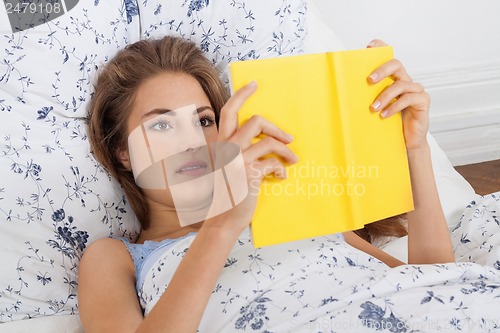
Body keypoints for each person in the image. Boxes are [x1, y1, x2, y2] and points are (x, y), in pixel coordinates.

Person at [78, 35, 455, 332]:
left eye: (204, 121)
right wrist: (224, 222)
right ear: (121, 152)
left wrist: (413, 148)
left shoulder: (290, 206)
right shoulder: (114, 258)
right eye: (161, 124)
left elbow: (435, 287)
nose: (193, 142)